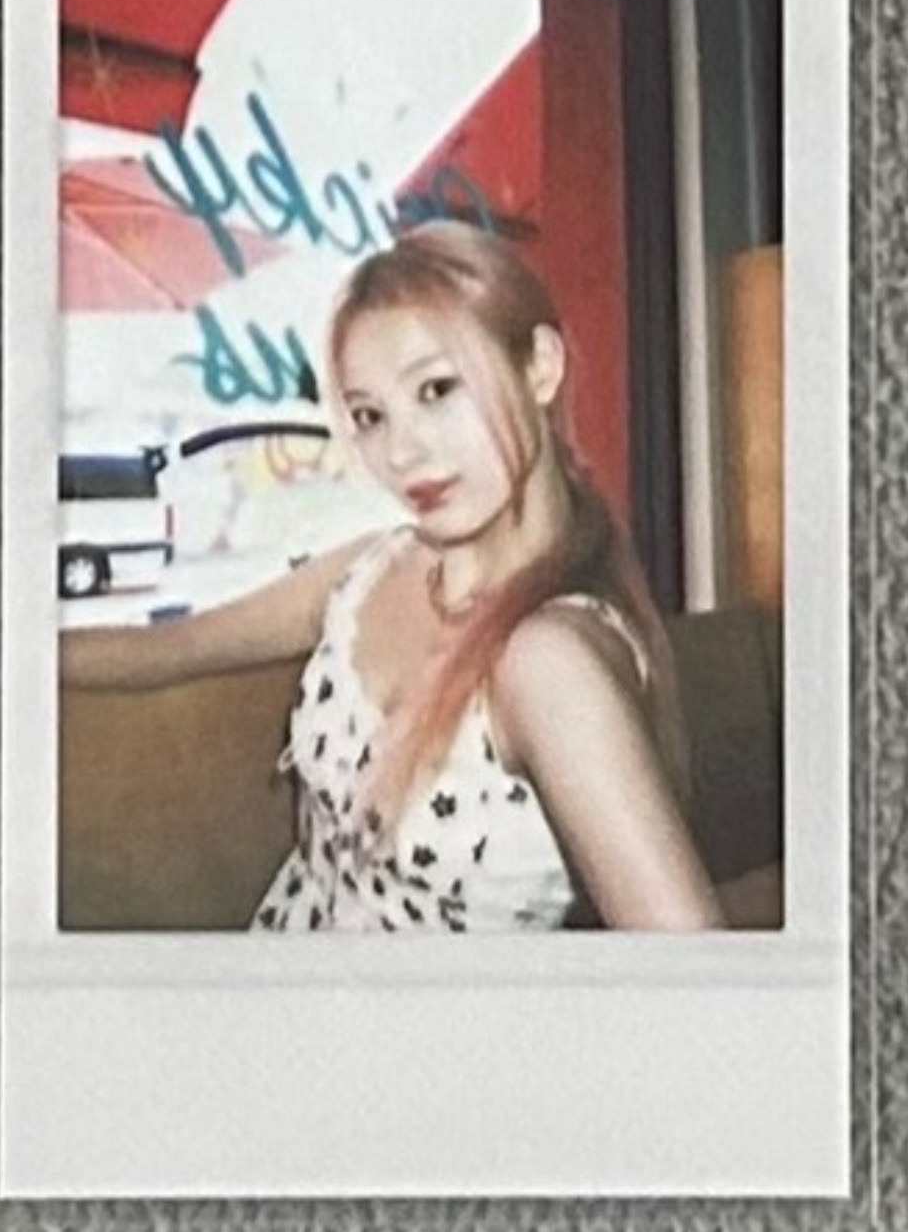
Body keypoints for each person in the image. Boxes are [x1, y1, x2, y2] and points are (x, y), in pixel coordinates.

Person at [62, 220, 724, 933]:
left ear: (539, 366)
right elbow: (171, 648)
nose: (401, 452)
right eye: (370, 416)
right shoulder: (370, 571)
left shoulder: (548, 662)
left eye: (436, 389)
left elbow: (695, 973)